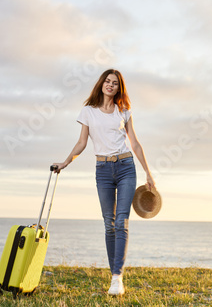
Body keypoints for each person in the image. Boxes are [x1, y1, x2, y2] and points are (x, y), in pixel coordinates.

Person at [53, 69, 155, 295]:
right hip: (103, 170)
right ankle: (114, 275)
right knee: (109, 224)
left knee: (121, 222)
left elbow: (135, 143)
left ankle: (118, 278)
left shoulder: (124, 110)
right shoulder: (88, 111)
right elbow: (82, 143)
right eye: (107, 81)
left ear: (120, 88)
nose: (110, 85)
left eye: (115, 83)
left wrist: (148, 172)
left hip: (126, 166)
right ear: (101, 84)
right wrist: (65, 162)